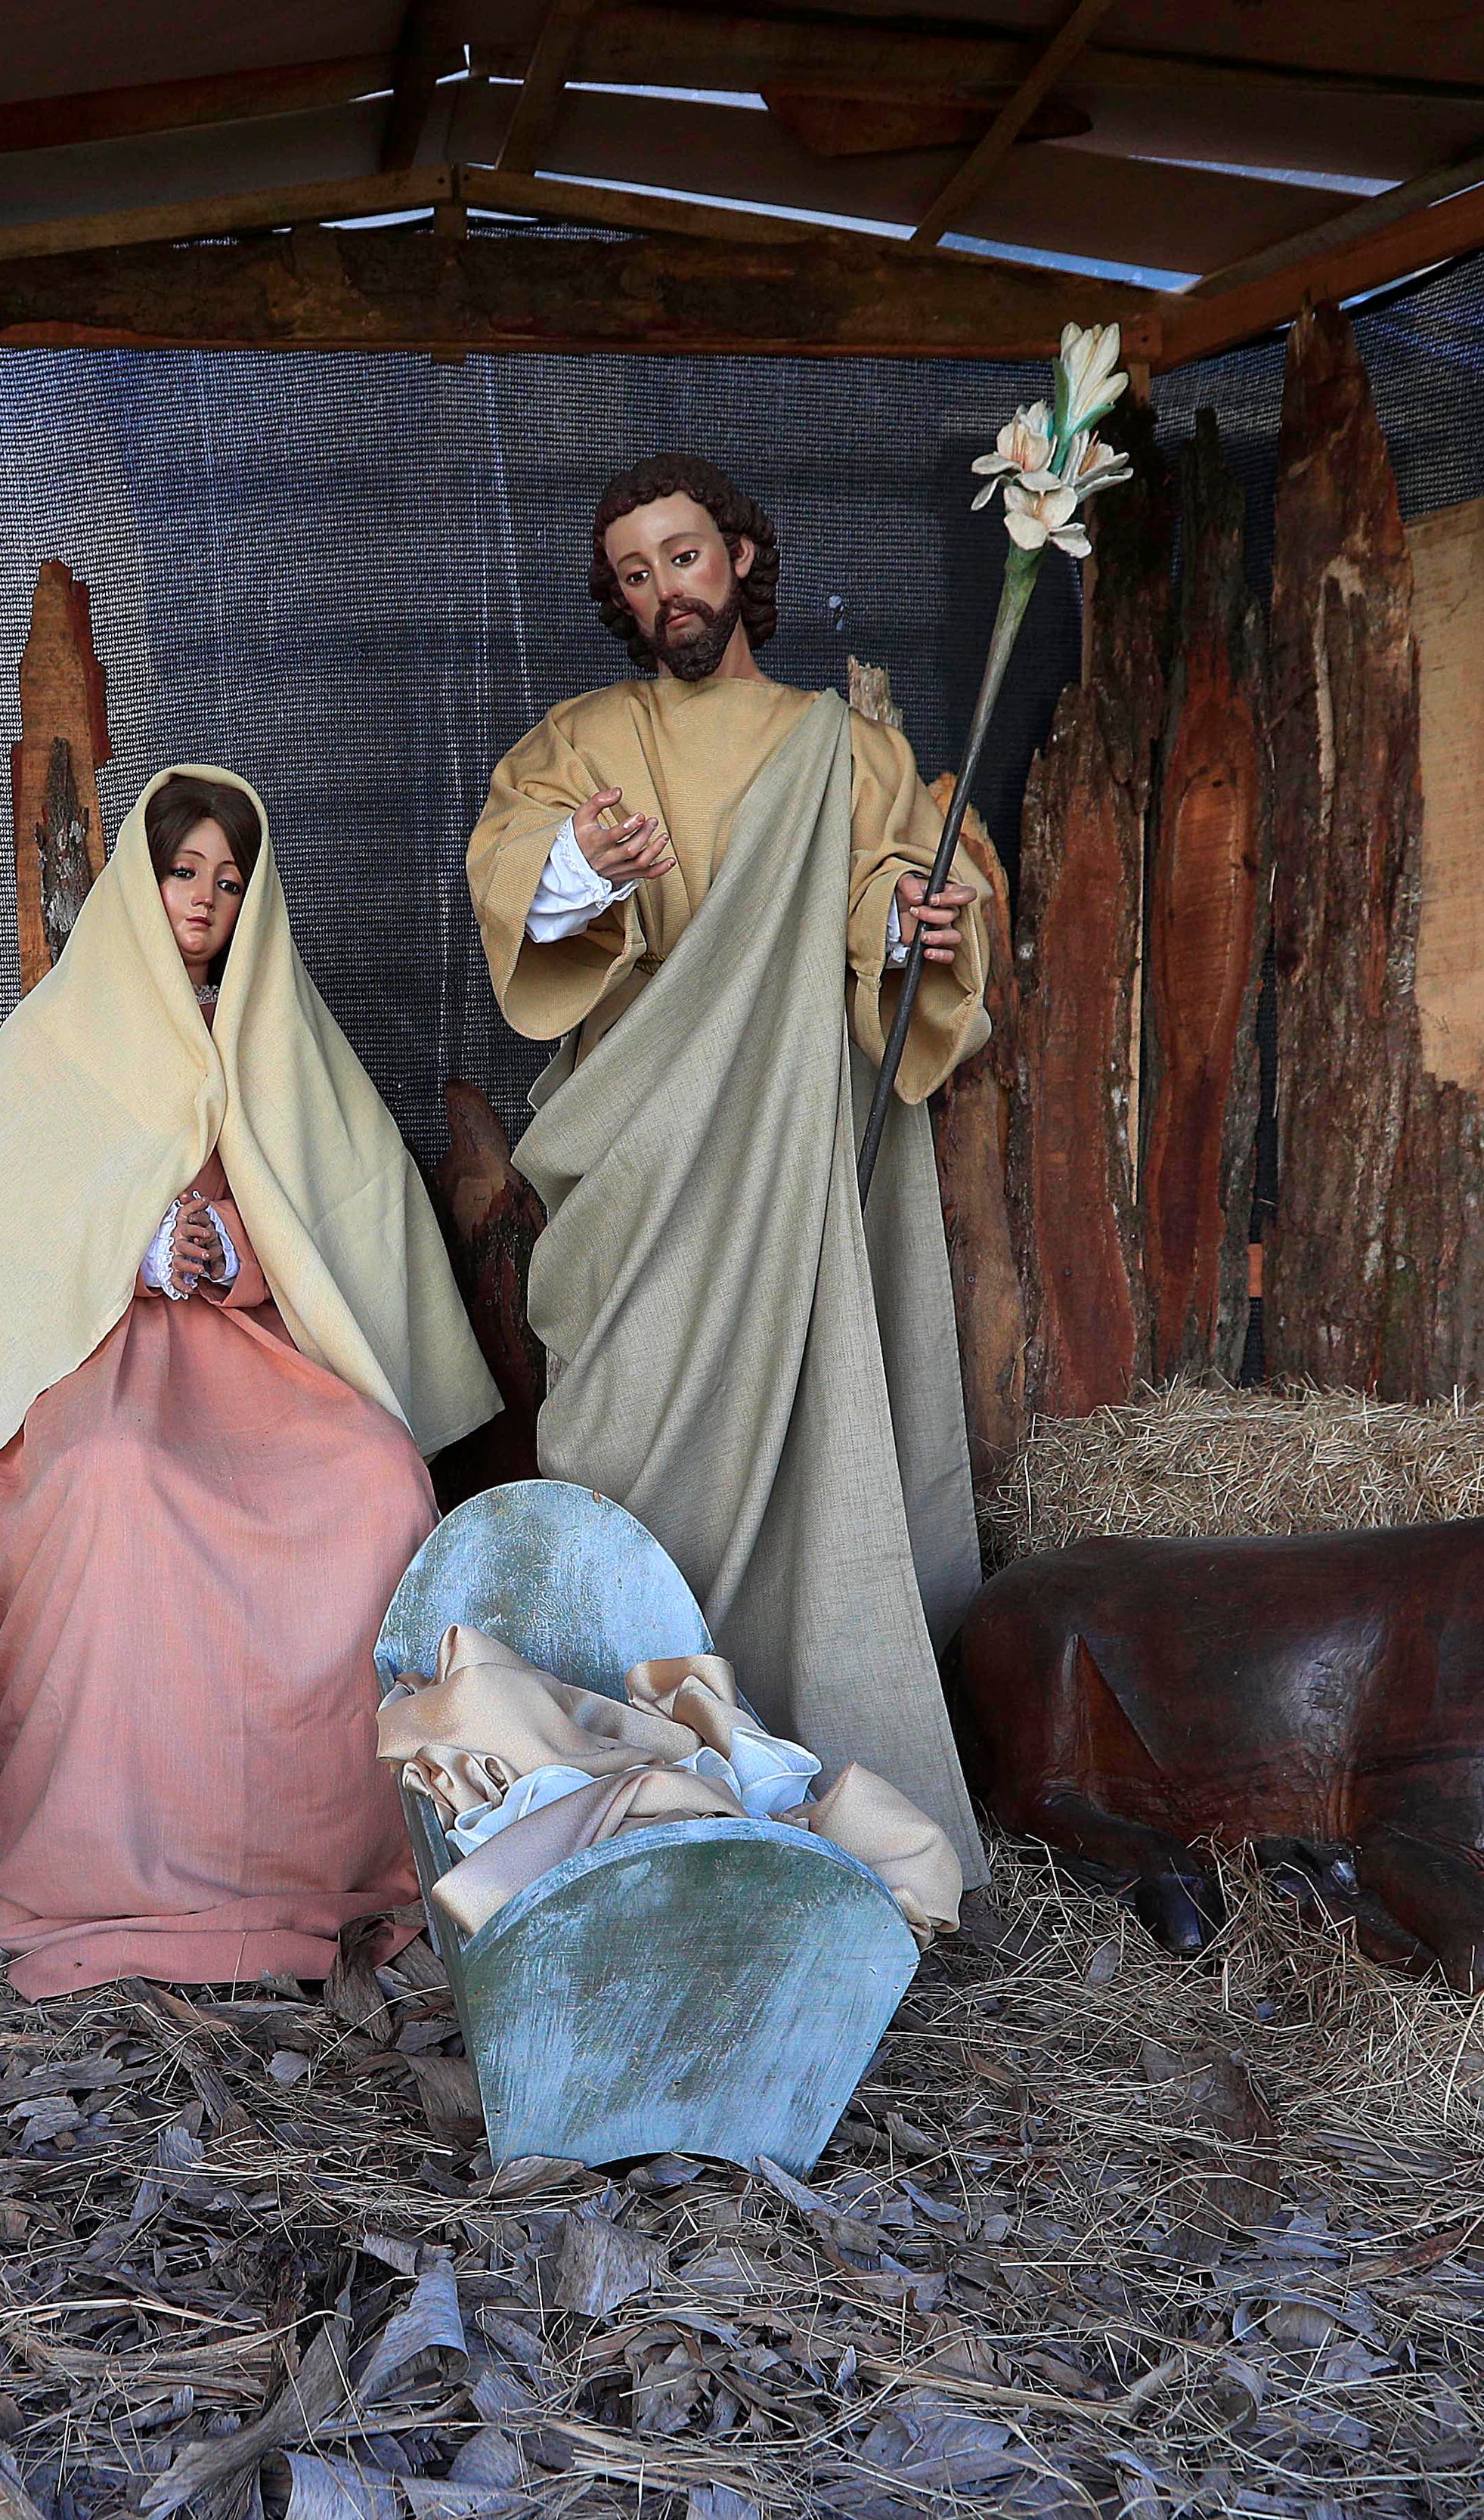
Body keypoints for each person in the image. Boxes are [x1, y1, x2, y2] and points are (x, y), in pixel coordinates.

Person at [0, 765, 500, 1998]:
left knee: (374, 1483)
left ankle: (330, 1851)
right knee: (112, 1483)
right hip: (101, 1360)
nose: (203, 898)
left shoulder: (279, 1031)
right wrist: (133, 1243)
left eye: (230, 880)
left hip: (257, 1357)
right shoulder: (68, 1029)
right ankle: (107, 1856)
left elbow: (342, 1206)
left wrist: (239, 1250)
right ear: (138, 886)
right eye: (182, 871)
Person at [460, 453, 1009, 1883]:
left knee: (813, 1452)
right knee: (616, 1452)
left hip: (790, 1166)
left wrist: (907, 925)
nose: (668, 591)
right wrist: (584, 862)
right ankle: (627, 1812)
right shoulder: (588, 739)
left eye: (686, 555)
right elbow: (512, 868)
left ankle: (805, 1788)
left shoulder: (843, 746)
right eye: (637, 573)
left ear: (744, 558)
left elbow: (896, 881)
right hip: (643, 1168)